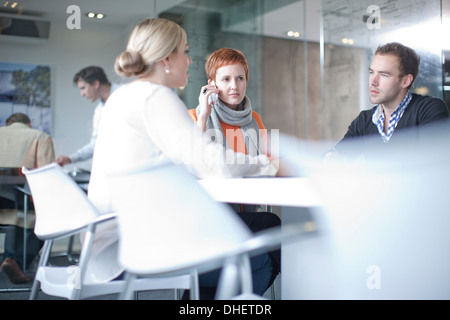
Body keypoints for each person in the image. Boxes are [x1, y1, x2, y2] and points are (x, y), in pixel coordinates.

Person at [86, 18, 277, 293]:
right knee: (257, 261)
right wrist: (270, 165)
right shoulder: (155, 98)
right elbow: (212, 164)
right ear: (166, 59)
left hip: (112, 240)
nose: (189, 61)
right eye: (185, 52)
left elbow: (185, 162)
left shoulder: (122, 97)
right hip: (133, 248)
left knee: (259, 229)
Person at [188, 48, 280, 298]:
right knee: (271, 229)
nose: (234, 86)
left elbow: (268, 161)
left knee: (269, 231)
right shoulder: (195, 117)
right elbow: (194, 164)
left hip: (243, 208)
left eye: (240, 78)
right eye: (226, 79)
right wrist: (204, 116)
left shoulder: (254, 119)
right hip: (206, 215)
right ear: (212, 85)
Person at [327, 42, 449, 159]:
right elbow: (336, 156)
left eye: (384, 75)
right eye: (371, 72)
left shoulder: (429, 110)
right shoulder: (364, 120)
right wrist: (332, 158)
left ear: (405, 81)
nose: (373, 81)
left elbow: (429, 164)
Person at [0, 113, 55, 284]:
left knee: (17, 220)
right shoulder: (40, 137)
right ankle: (16, 263)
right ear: (29, 123)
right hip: (24, 205)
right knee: (45, 220)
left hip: (4, 206)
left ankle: (9, 260)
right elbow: (47, 175)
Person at [55, 66, 118, 167]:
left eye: (83, 88)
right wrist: (70, 159)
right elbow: (95, 145)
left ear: (96, 84)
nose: (82, 94)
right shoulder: (99, 112)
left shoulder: (127, 92)